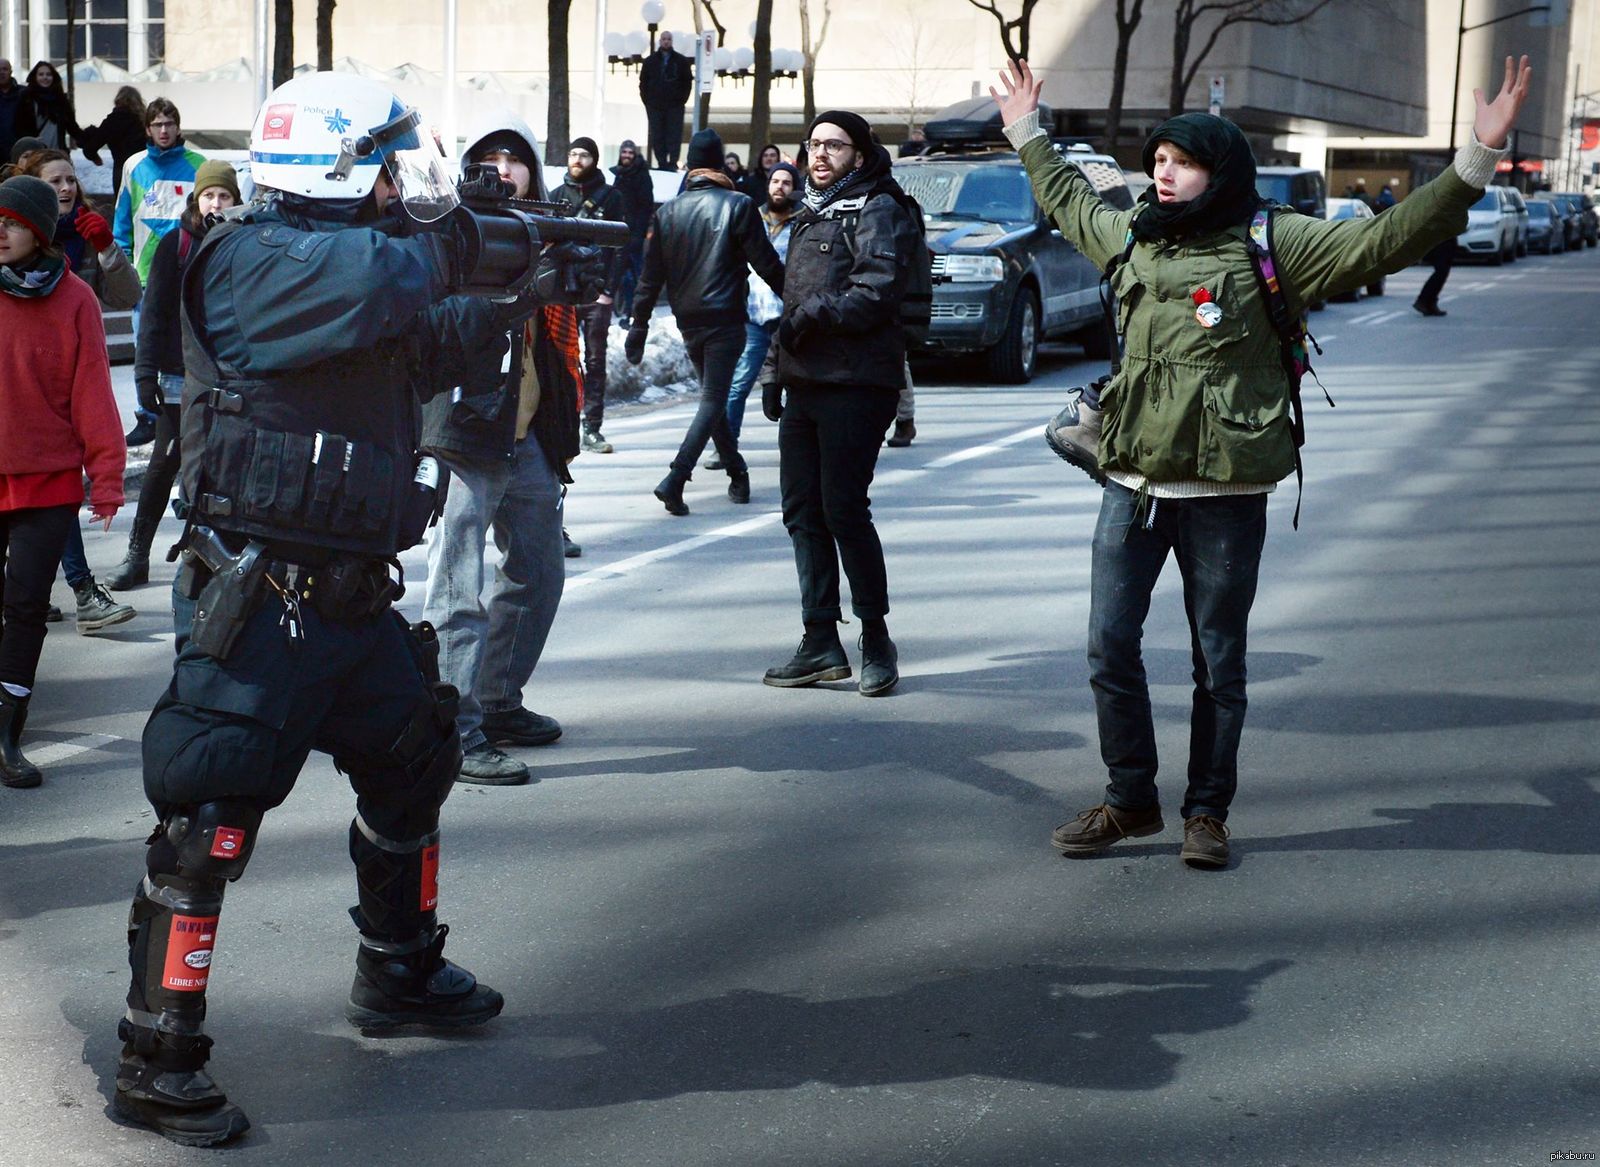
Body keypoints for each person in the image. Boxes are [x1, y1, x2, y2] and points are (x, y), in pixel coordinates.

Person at [107, 70, 600, 1145]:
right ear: (328, 164)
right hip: (260, 592)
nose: (394, 181)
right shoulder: (252, 255)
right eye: (378, 160)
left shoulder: (364, 270)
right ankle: (157, 1050)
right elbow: (386, 277)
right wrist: (472, 241)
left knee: (413, 759)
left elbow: (434, 335)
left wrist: (525, 285)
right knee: (208, 812)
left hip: (351, 594)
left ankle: (399, 968)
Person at [990, 54, 1531, 868]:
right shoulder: (1135, 232)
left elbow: (1384, 240)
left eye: (1181, 163)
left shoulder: (1275, 238)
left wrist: (1473, 162)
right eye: (1158, 163)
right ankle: (1129, 797)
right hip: (1132, 481)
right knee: (1108, 644)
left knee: (1220, 659)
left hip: (1227, 487)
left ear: (1222, 169)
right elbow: (1067, 198)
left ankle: (1207, 812)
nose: (1163, 175)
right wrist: (1026, 128)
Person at [421, 109, 583, 786]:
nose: (504, 169)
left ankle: (497, 700)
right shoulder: (449, 234)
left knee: (539, 571)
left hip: (528, 434)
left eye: (515, 158)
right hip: (467, 428)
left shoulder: (546, 231)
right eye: (490, 158)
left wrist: (565, 262)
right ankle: (453, 730)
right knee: (458, 584)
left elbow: (560, 334)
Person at [757, 111, 921, 698]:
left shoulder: (879, 207)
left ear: (859, 151)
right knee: (801, 511)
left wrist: (812, 319)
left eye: (835, 144)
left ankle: (876, 638)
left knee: (843, 508)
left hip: (857, 383)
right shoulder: (811, 209)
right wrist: (775, 372)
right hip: (806, 382)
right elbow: (794, 303)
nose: (821, 154)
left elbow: (875, 293)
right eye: (814, 144)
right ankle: (820, 640)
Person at [0, 174, 125, 787]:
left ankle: (7, 735)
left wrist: (106, 479)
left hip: (47, 483)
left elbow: (93, 393)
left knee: (24, 609)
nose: (2, 231)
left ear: (41, 232)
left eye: (15, 222)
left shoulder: (75, 298)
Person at [625, 127, 784, 516]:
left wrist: (639, 325)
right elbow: (765, 263)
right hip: (726, 316)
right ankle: (676, 477)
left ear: (691, 166)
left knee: (711, 399)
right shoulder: (738, 204)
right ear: (719, 163)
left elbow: (650, 278)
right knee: (713, 399)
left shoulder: (667, 212)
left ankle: (737, 471)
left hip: (688, 320)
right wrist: (797, 296)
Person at [17, 146, 142, 630]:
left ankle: (71, 590)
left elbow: (130, 296)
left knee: (59, 482)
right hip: (24, 386)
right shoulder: (11, 236)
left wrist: (109, 249)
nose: (67, 189)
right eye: (54, 182)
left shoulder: (87, 228)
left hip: (73, 379)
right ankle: (55, 589)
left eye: (71, 179)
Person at [103, 161, 240, 592]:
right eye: (208, 196)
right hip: (179, 375)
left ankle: (207, 556)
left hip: (228, 377)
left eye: (224, 196)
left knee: (219, 466)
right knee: (165, 462)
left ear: (236, 202)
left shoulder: (244, 242)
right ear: (196, 199)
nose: (215, 203)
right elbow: (155, 314)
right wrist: (146, 375)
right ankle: (137, 553)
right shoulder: (175, 244)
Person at [113, 97, 205, 445]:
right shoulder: (134, 166)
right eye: (157, 124)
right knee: (145, 346)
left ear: (178, 127)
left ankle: (190, 412)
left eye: (169, 123)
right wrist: (124, 264)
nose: (164, 130)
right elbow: (122, 220)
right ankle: (148, 416)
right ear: (148, 129)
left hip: (189, 275)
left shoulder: (199, 163)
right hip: (145, 278)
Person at [712, 159, 799, 466]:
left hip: (788, 316)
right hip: (752, 315)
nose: (780, 187)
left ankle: (799, 452)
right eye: (776, 181)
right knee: (739, 385)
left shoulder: (801, 223)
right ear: (768, 184)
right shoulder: (751, 217)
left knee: (795, 387)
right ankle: (725, 448)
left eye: (787, 183)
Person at [555, 134, 627, 454]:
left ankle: (592, 426)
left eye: (584, 155)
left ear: (594, 159)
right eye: (573, 154)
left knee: (595, 360)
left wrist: (608, 290)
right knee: (560, 359)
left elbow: (621, 248)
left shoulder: (611, 197)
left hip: (596, 293)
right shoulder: (556, 196)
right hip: (564, 294)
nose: (577, 160)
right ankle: (564, 422)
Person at [610, 137, 655, 325]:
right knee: (620, 276)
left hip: (634, 235)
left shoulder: (641, 175)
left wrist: (639, 234)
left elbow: (646, 207)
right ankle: (624, 312)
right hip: (620, 234)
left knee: (634, 277)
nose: (627, 155)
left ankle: (633, 314)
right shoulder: (619, 174)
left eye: (630, 152)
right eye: (624, 152)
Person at [77, 85, 149, 196]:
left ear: (117, 101)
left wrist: (96, 158)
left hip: (120, 172)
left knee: (122, 208)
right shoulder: (144, 121)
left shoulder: (111, 121)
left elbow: (90, 148)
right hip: (144, 170)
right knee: (146, 206)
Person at [639, 31, 692, 170]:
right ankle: (661, 162)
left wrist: (681, 100)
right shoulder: (650, 61)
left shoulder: (681, 61)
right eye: (664, 39)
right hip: (655, 105)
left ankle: (673, 161)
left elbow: (687, 82)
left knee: (674, 134)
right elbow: (643, 82)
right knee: (657, 134)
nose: (666, 42)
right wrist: (648, 102)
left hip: (675, 105)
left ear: (672, 41)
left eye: (668, 39)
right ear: (660, 41)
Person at [13, 61, 82, 152]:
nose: (45, 77)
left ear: (54, 77)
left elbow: (72, 127)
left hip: (57, 154)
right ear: (35, 77)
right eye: (41, 74)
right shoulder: (26, 98)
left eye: (48, 74)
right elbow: (18, 127)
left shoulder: (61, 100)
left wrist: (89, 142)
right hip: (34, 154)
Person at [1413, 236, 1453, 317]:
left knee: (1443, 272)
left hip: (1447, 238)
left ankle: (1430, 302)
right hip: (1439, 239)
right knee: (1441, 271)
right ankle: (1423, 300)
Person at [0, 60, 22, 165]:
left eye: (5, 69)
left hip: (17, 152)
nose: (1, 72)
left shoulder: (23, 93)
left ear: (11, 71)